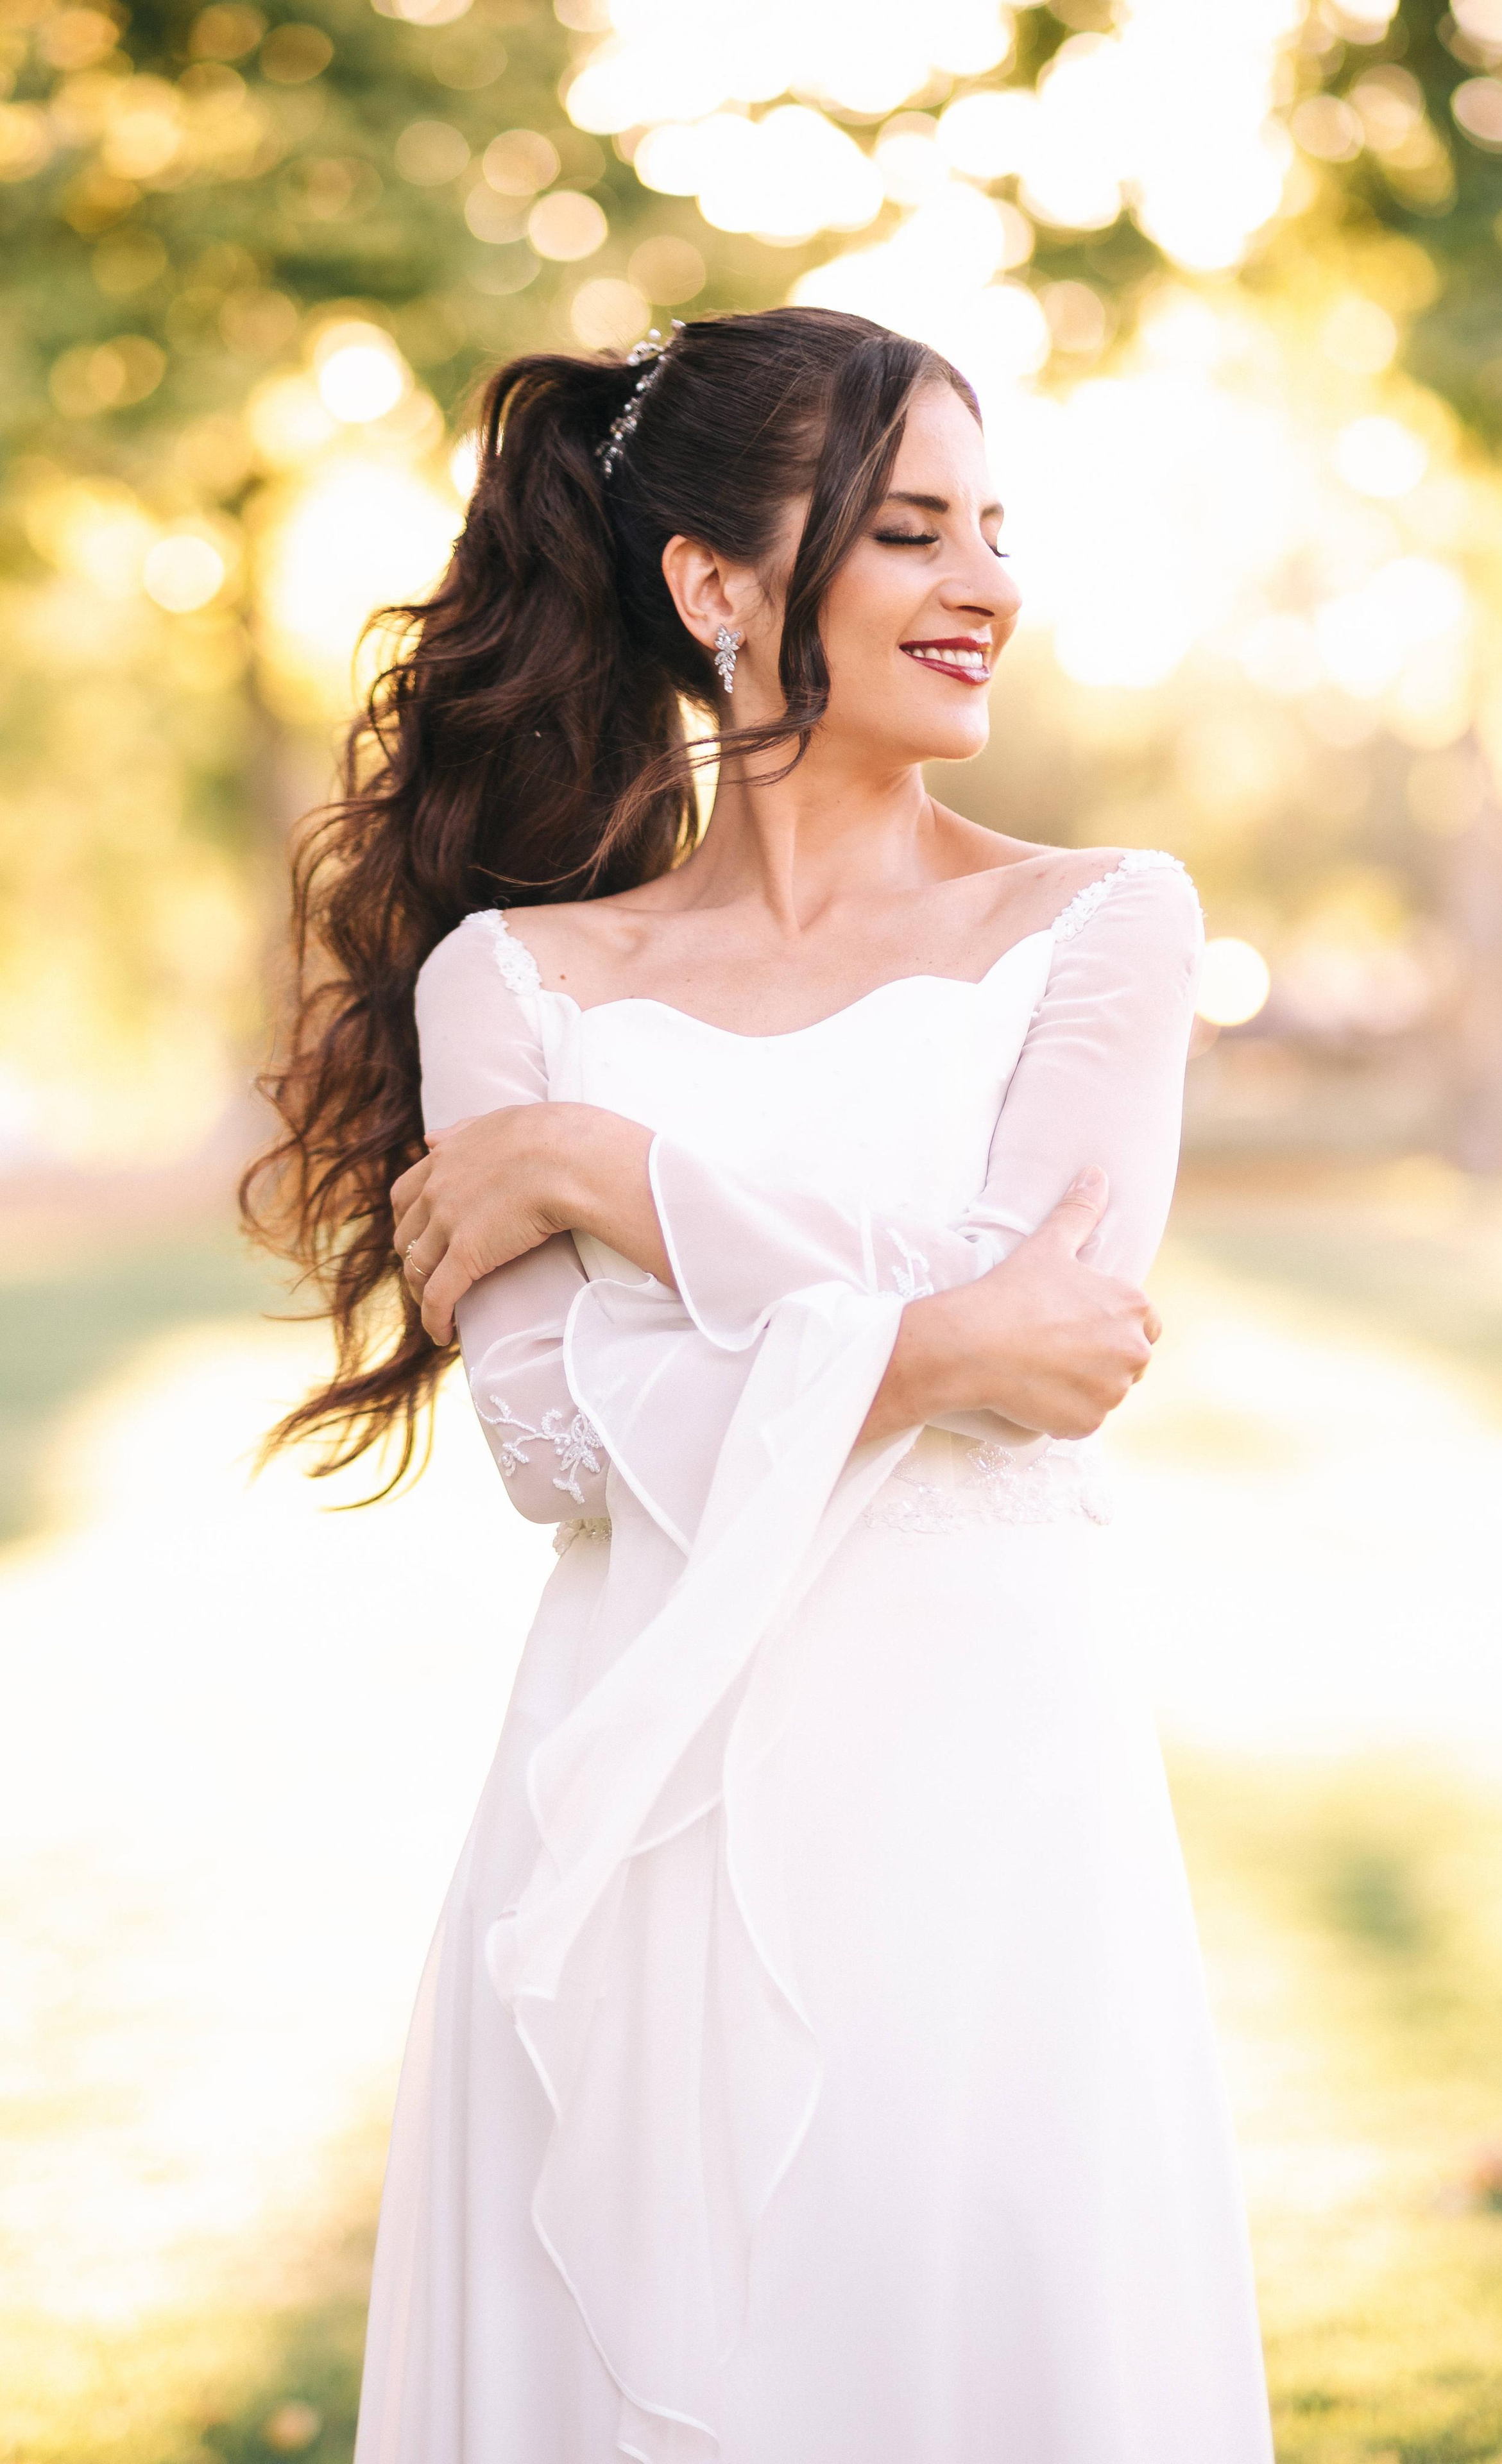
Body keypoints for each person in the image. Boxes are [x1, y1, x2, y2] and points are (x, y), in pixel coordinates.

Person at [246, 305, 1273, 2464]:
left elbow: (1059, 1341)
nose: (988, 582)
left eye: (995, 527)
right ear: (715, 586)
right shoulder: (512, 982)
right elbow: (546, 1439)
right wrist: (922, 1339)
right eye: (911, 530)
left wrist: (613, 1179)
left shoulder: (1108, 924)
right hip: (631, 1819)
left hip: (994, 1822)